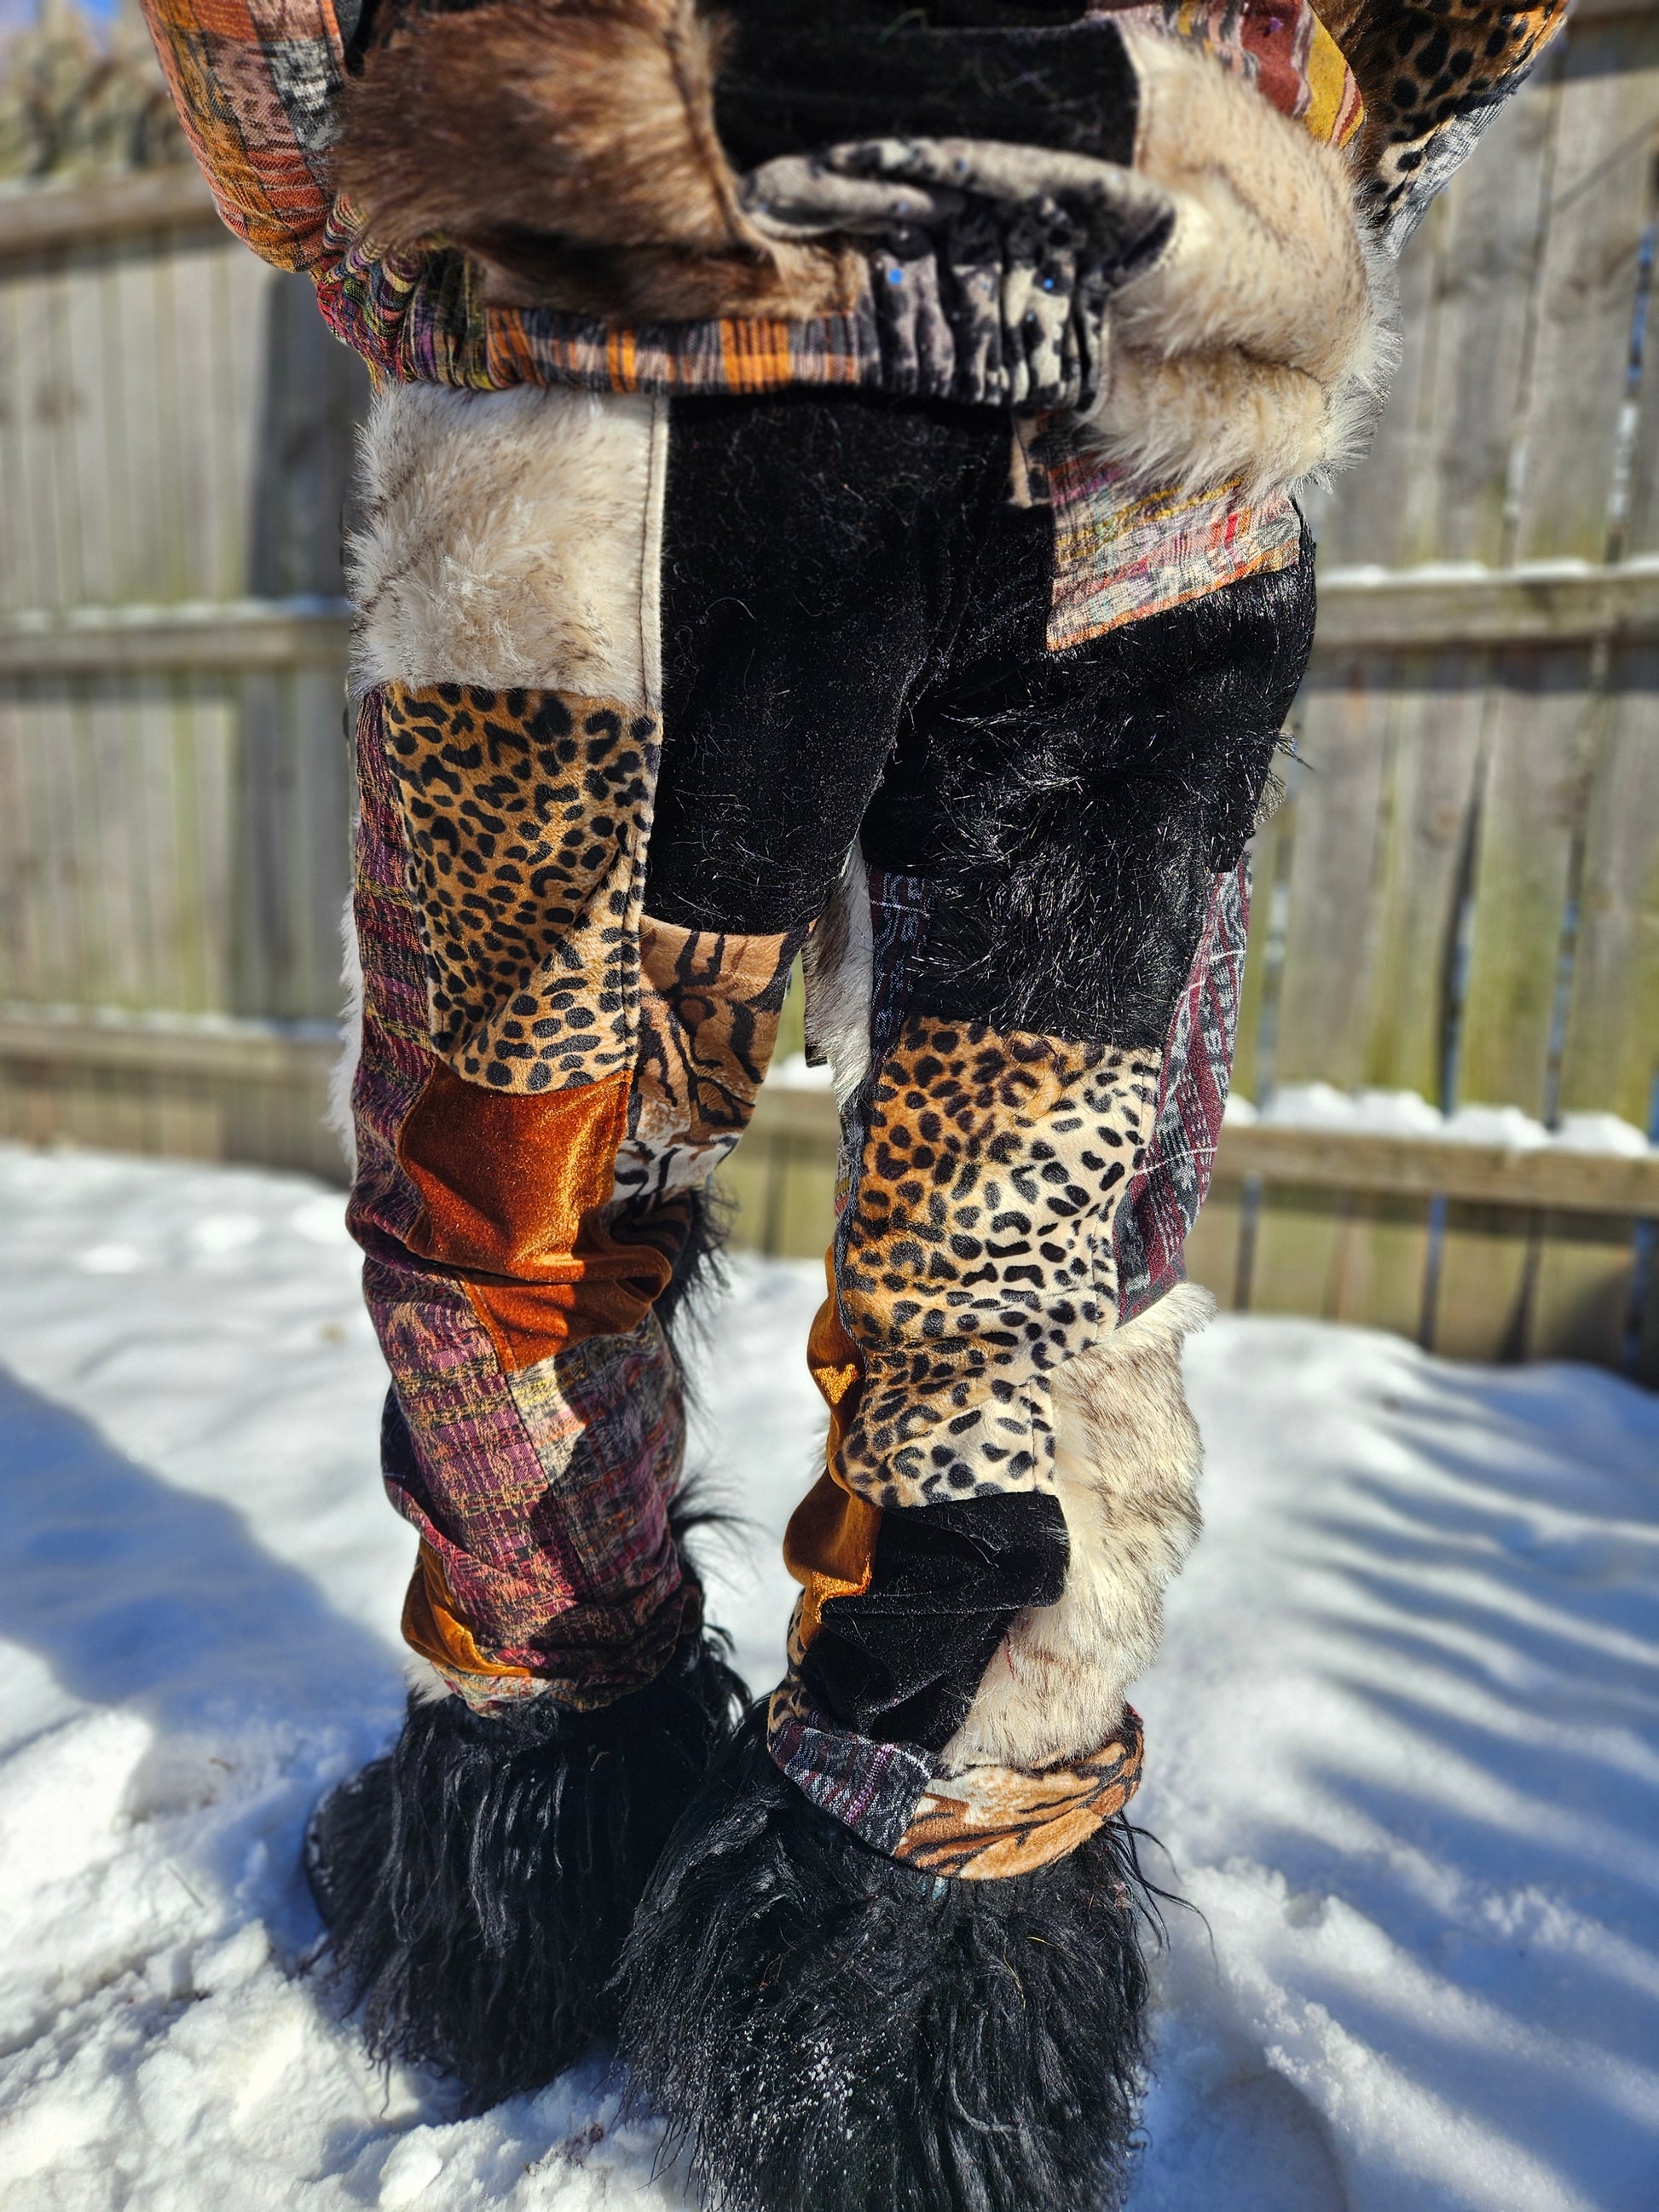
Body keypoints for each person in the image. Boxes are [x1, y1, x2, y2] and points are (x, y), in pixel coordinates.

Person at [137, 1, 1566, 2203]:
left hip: (623, 282)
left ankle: (537, 1844)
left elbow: (260, 46)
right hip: (1149, 309)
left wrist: (385, 221)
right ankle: (927, 2018)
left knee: (525, 1190)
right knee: (1030, 1268)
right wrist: (1298, 155)